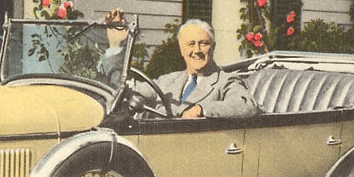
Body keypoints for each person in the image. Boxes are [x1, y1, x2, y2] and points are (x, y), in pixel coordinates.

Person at [104, 9, 259, 119]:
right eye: (191, 44)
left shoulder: (225, 81)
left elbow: (246, 106)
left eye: (204, 43)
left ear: (213, 47)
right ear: (181, 49)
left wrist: (202, 109)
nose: (197, 50)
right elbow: (122, 88)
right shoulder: (167, 81)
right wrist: (115, 45)